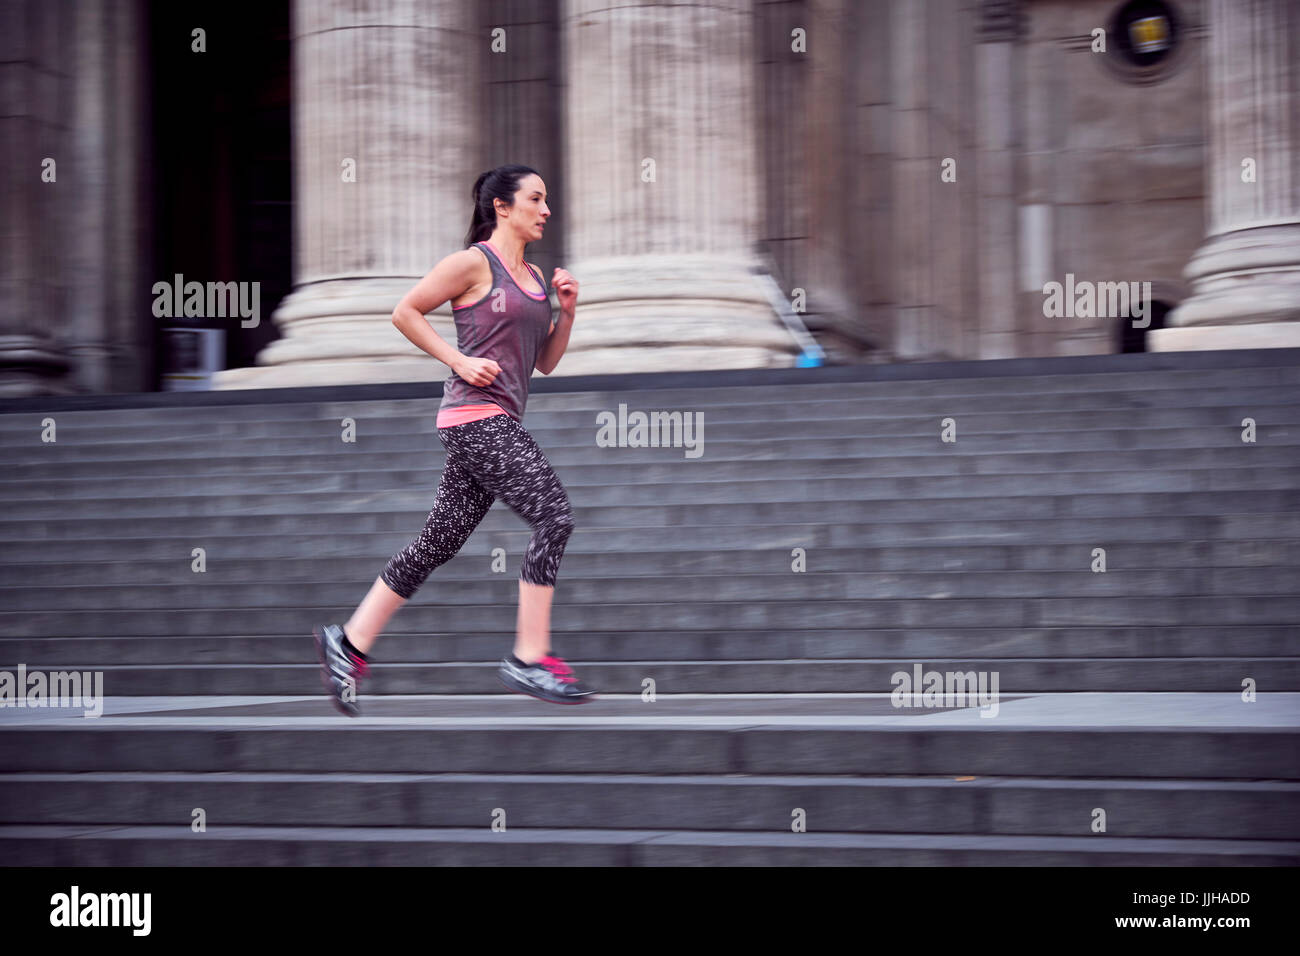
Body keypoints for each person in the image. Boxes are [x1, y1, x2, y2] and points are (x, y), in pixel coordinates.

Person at [313, 164, 596, 714]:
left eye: (546, 200)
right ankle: (529, 657)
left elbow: (546, 364)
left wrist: (567, 313)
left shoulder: (536, 279)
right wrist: (458, 359)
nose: (546, 210)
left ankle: (347, 643)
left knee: (438, 542)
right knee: (554, 516)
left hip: (499, 422)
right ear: (503, 208)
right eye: (535, 199)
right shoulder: (472, 263)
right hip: (473, 417)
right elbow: (406, 311)